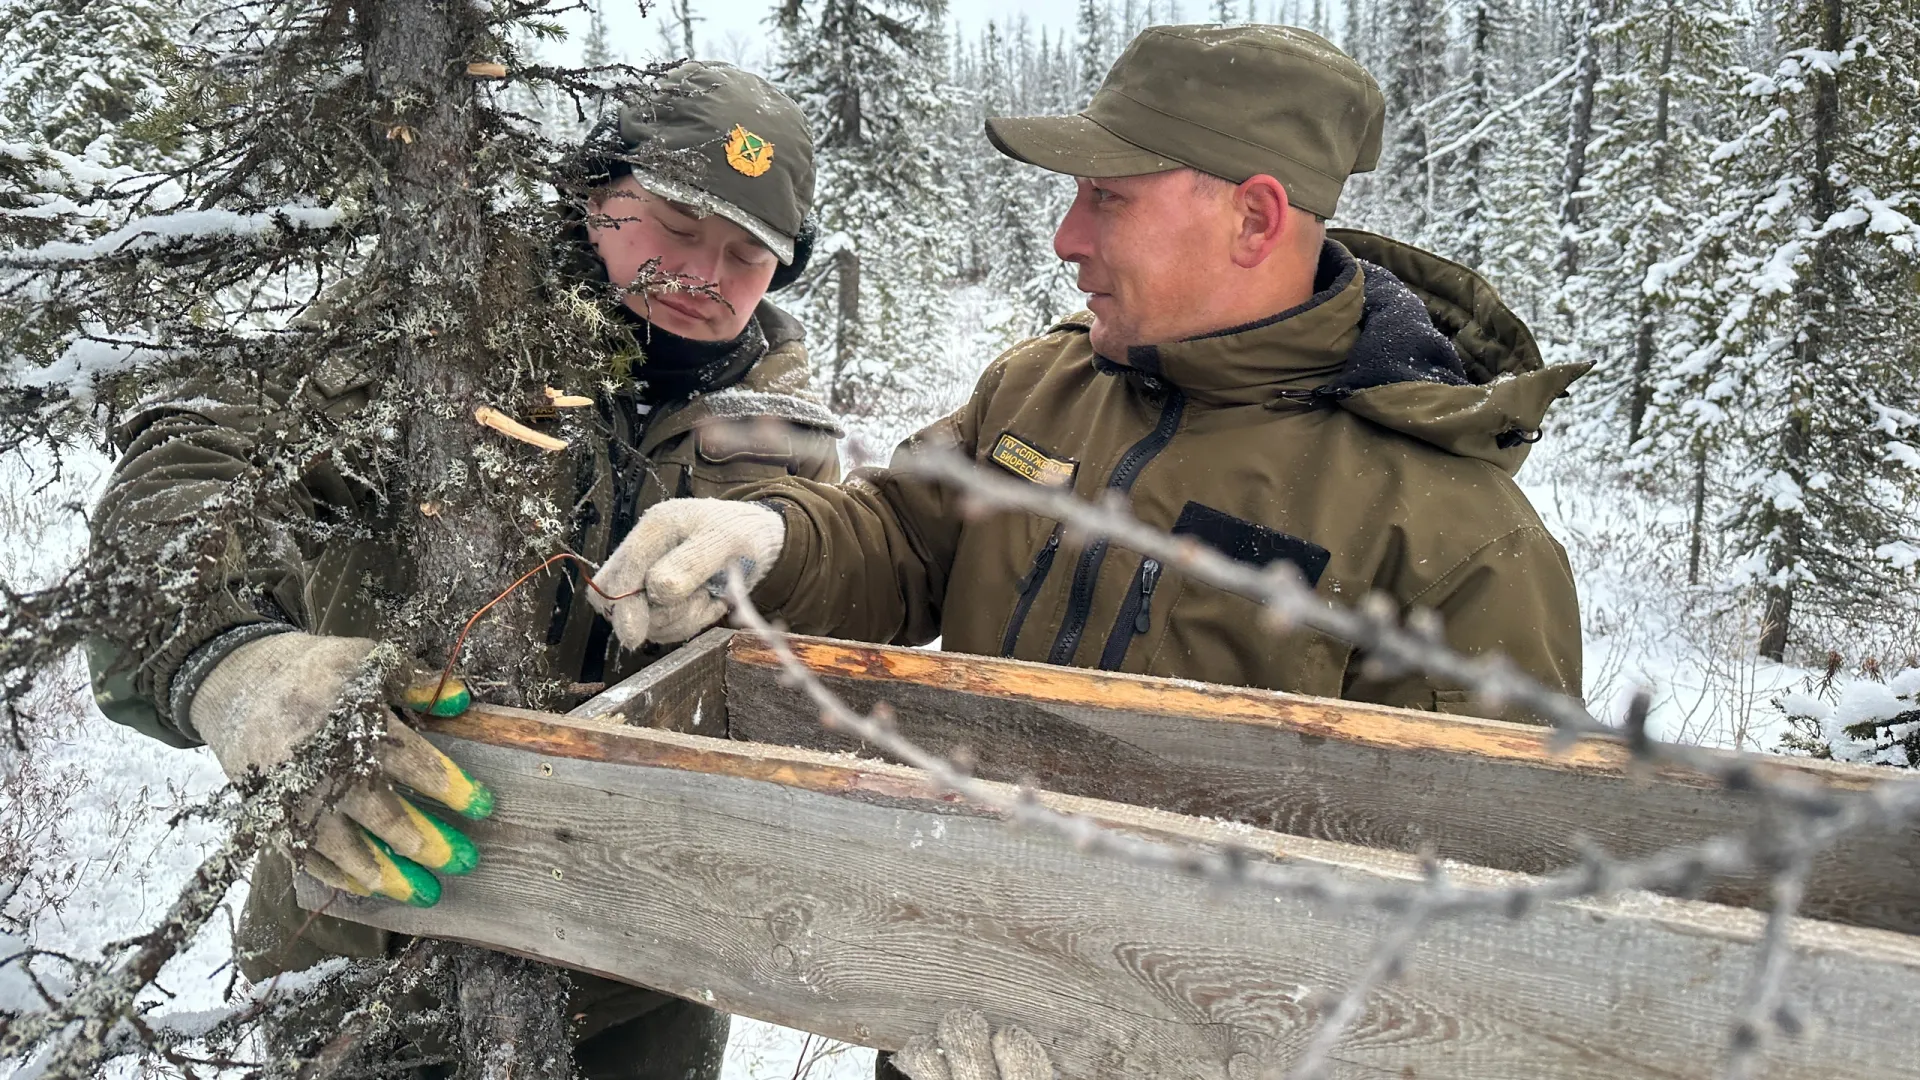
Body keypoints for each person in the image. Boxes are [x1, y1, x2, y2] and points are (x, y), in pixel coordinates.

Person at [84, 60, 839, 1080]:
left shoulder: (788, 440)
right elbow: (192, 461)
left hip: (636, 976)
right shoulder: (436, 323)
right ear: (595, 194)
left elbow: (810, 669)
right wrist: (228, 664)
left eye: (748, 253)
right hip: (369, 925)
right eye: (675, 222)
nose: (705, 272)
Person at [592, 24, 1586, 729]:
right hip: (943, 967)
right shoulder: (1044, 387)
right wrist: (771, 543)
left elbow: (1466, 895)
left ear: (1254, 218)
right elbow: (903, 543)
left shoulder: (1455, 543)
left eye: (1107, 200)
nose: (1066, 238)